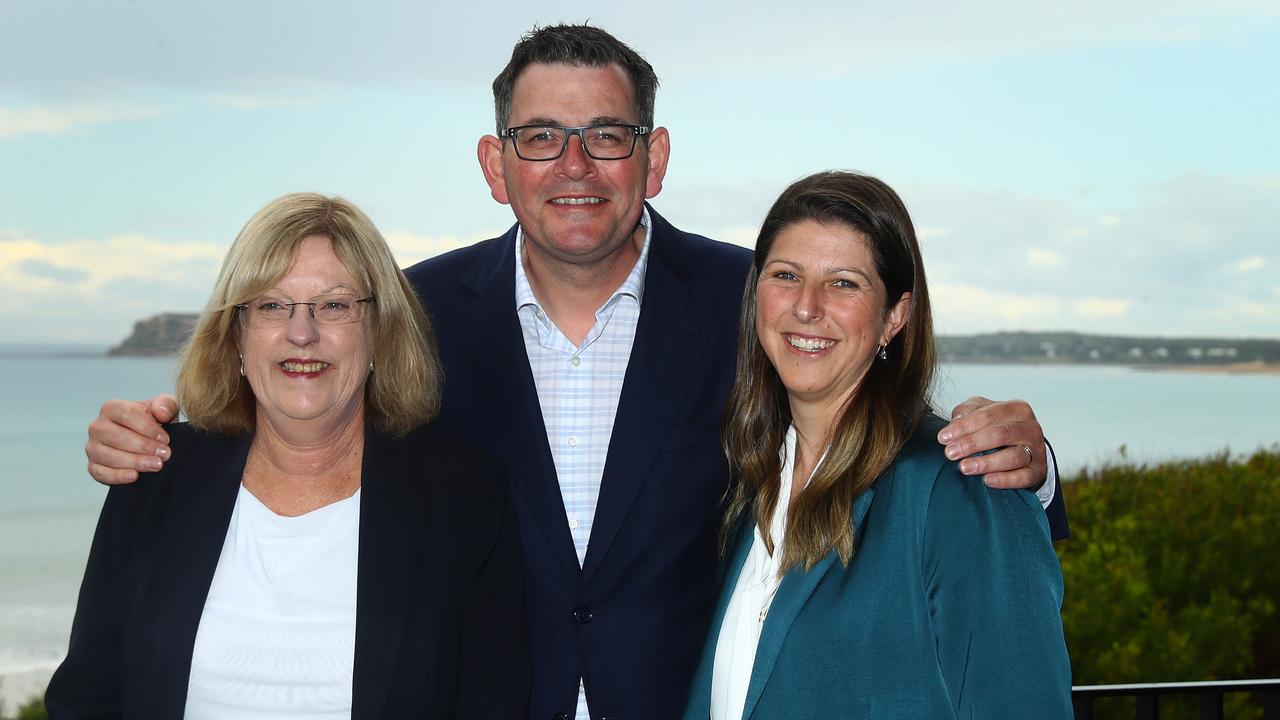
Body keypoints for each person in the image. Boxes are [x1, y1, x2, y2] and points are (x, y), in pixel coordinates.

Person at [82, 25, 1065, 720]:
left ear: (654, 157)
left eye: (607, 136)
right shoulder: (409, 317)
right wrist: (164, 434)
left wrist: (1025, 460)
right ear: (494, 163)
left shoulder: (752, 301)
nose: (574, 165)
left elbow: (884, 440)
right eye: (540, 138)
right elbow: (312, 438)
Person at [48, 194, 529, 718]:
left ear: (379, 334)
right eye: (272, 305)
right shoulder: (157, 472)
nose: (302, 334)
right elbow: (87, 695)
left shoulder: (462, 495)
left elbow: (493, 700)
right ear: (236, 334)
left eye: (335, 305)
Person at [681, 172, 1071, 719]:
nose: (807, 307)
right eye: (786, 275)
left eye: (844, 283)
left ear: (895, 316)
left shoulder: (957, 488)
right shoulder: (748, 482)